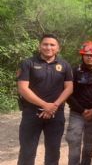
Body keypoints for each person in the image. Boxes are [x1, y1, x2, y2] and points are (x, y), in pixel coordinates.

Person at [17, 33, 73, 165]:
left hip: (56, 114)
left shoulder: (65, 65)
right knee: (27, 151)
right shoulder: (28, 63)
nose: (48, 47)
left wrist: (53, 106)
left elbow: (69, 88)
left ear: (58, 48)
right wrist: (45, 105)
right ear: (39, 46)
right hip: (31, 113)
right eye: (45, 44)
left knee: (53, 151)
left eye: (52, 45)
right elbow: (23, 89)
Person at [66, 41, 92, 165]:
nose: (89, 57)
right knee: (74, 142)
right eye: (86, 54)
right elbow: (68, 93)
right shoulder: (73, 71)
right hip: (77, 113)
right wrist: (82, 110)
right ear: (82, 55)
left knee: (89, 145)